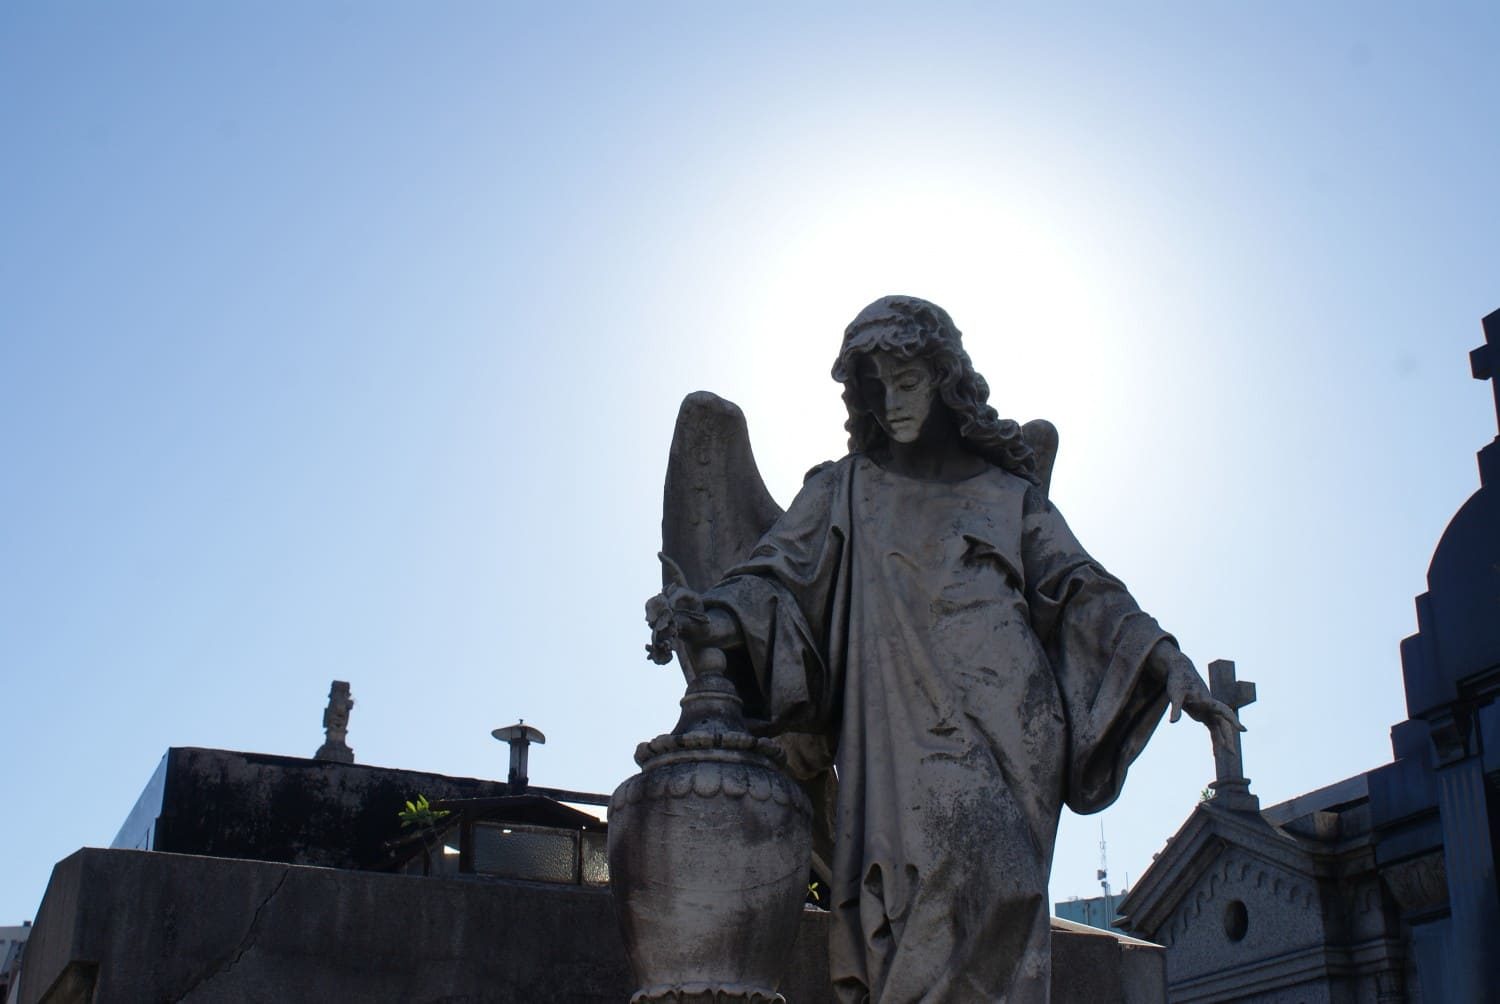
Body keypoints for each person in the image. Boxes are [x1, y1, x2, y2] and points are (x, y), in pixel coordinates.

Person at [651, 295, 1240, 1003]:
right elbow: (773, 580)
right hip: (902, 730)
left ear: (945, 381)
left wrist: (1164, 660)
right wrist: (710, 616)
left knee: (1007, 886)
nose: (891, 402)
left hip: (1015, 727)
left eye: (908, 383)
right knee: (927, 888)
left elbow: (1084, 590)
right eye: (876, 387)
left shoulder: (1008, 494)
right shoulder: (847, 490)